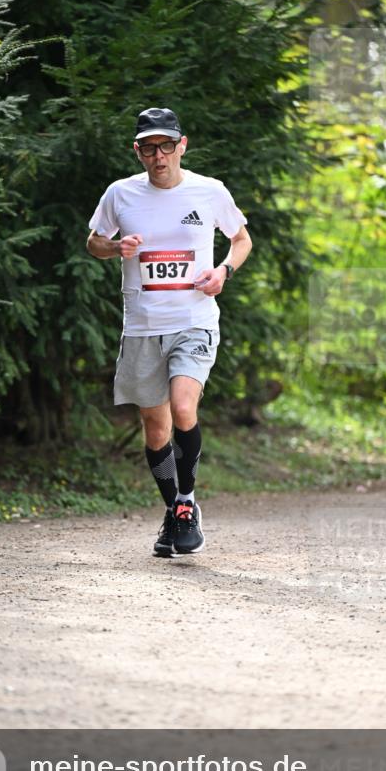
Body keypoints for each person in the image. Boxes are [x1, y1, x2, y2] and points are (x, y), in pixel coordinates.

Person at [86, 107, 252, 557]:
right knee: (156, 430)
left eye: (165, 146)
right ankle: (175, 510)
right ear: (136, 151)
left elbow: (241, 239)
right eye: (148, 148)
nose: (158, 156)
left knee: (183, 407)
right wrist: (115, 246)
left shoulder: (209, 191)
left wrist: (223, 272)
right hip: (141, 327)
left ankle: (185, 503)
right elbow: (94, 241)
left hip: (193, 320)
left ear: (182, 145)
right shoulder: (120, 194)